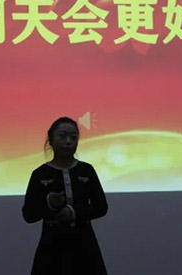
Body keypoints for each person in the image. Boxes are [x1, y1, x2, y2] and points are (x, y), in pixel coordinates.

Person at [22, 117, 108, 275]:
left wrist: (74, 213)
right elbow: (28, 214)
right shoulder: (40, 174)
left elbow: (101, 207)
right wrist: (49, 203)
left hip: (84, 244)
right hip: (51, 247)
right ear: (50, 140)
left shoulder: (86, 170)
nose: (68, 141)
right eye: (62, 136)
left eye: (73, 137)